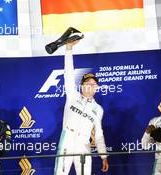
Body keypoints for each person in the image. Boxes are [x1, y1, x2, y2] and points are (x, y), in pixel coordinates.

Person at [54, 40, 109, 175]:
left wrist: (103, 156)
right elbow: (68, 73)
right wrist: (68, 49)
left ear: (97, 88)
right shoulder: (72, 95)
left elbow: (99, 134)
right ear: (82, 86)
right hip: (67, 139)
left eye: (94, 84)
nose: (91, 85)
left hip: (83, 145)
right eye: (88, 83)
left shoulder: (98, 109)